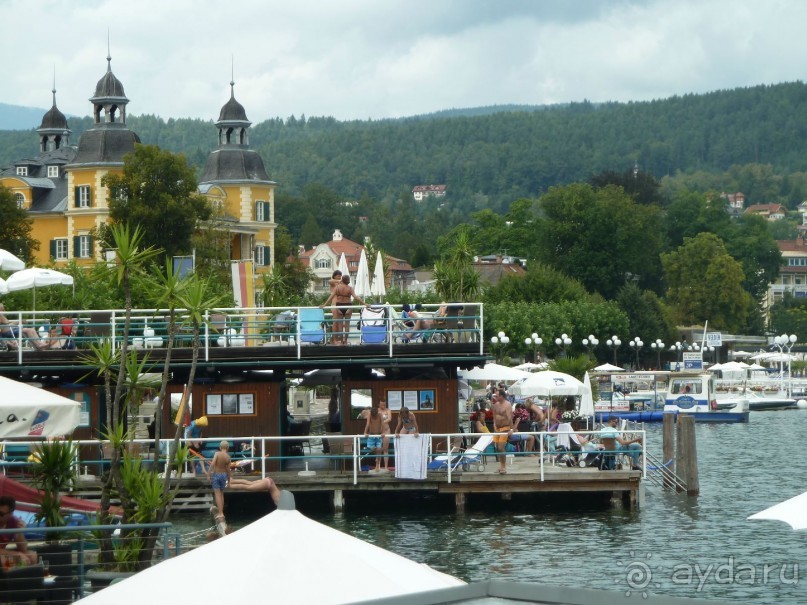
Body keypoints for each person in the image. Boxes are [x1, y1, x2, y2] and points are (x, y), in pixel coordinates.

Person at [320, 274, 368, 345]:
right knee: (347, 325)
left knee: (340, 325)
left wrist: (324, 304)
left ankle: (341, 341)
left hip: (339, 306)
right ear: (348, 281)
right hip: (348, 306)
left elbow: (331, 296)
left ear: (342, 280)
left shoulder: (337, 287)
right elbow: (356, 297)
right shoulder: (350, 288)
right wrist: (365, 304)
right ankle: (345, 341)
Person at [0, 496, 37, 565]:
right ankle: (10, 574)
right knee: (4, 560)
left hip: (4, 553)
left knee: (32, 556)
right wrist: (14, 554)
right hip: (3, 555)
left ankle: (25, 574)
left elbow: (23, 549)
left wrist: (19, 531)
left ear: (10, 514)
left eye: (1, 514)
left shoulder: (13, 522)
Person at [206, 441, 231, 519]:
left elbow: (213, 464)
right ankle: (221, 512)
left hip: (216, 475)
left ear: (220, 447)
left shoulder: (217, 454)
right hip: (224, 475)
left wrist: (208, 474)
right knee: (221, 493)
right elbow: (228, 470)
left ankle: (220, 513)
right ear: (228, 448)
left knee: (217, 494)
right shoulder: (228, 457)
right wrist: (229, 480)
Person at [491, 390, 513, 474]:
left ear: (502, 396)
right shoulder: (496, 405)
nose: (495, 397)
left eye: (497, 396)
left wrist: (511, 429)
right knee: (497, 448)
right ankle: (501, 466)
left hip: (505, 427)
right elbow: (494, 416)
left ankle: (503, 467)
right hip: (497, 428)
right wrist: (494, 425)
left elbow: (509, 417)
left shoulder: (507, 405)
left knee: (501, 447)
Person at [363, 407, 389, 472]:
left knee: (379, 449)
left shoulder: (380, 415)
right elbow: (368, 424)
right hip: (371, 434)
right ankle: (377, 457)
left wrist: (383, 432)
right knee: (372, 448)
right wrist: (365, 432)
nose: (374, 417)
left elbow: (383, 424)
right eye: (373, 415)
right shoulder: (369, 415)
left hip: (378, 434)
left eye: (375, 415)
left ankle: (377, 464)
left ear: (377, 413)